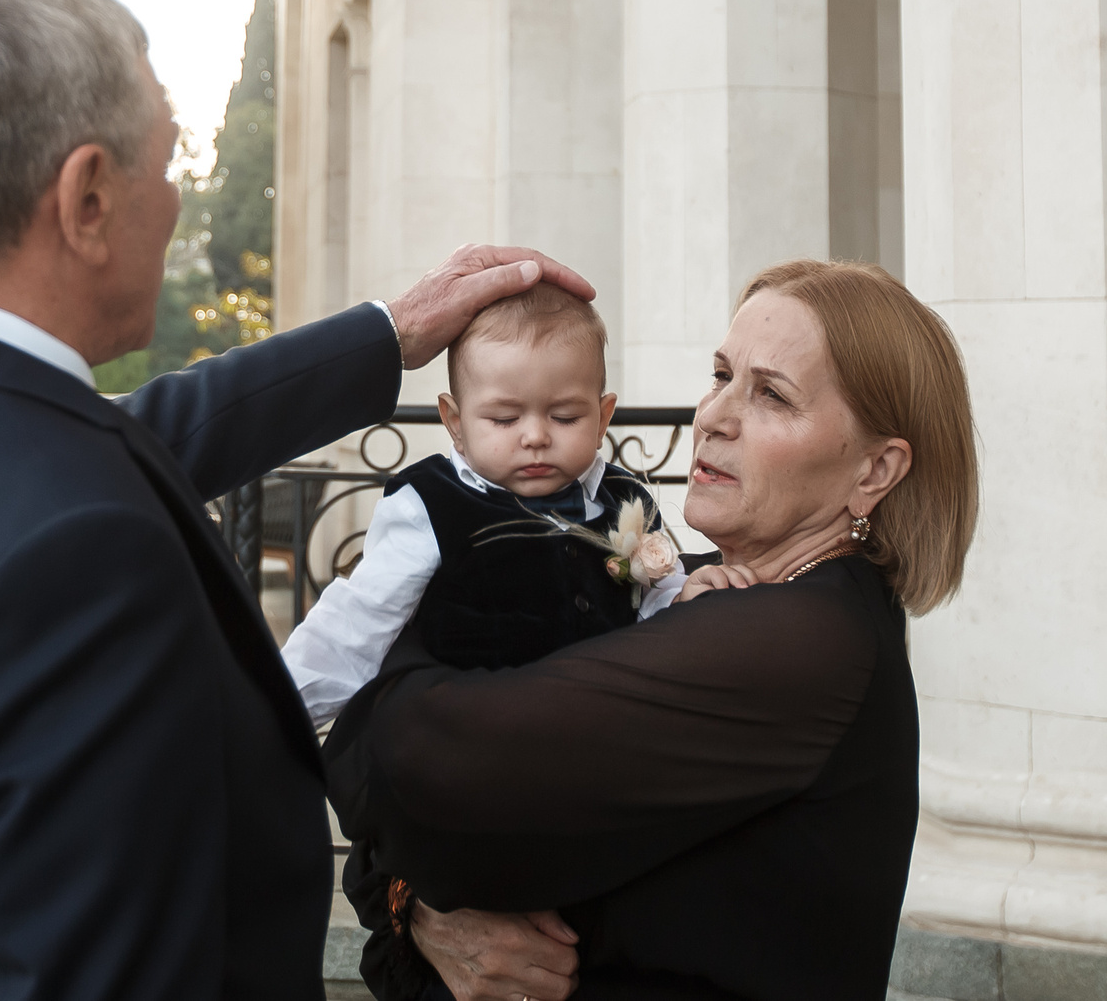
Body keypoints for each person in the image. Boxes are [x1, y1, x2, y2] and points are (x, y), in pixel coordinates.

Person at [0, 0, 595, 1001]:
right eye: (169, 161)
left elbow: (90, 444)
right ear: (86, 199)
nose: (178, 196)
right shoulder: (72, 562)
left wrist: (382, 338)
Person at [325, 259, 980, 1001]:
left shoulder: (802, 641)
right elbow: (422, 816)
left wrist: (375, 708)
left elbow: (424, 766)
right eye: (721, 373)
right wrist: (418, 909)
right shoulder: (689, 585)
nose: (714, 415)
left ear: (874, 469)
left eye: (771, 394)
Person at [281, 283, 685, 731]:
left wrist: (691, 598)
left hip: (603, 737)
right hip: (473, 742)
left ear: (603, 418)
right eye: (504, 420)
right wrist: (274, 720)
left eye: (566, 417)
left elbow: (661, 609)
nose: (535, 436)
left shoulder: (626, 499)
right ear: (456, 423)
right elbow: (357, 623)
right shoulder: (431, 505)